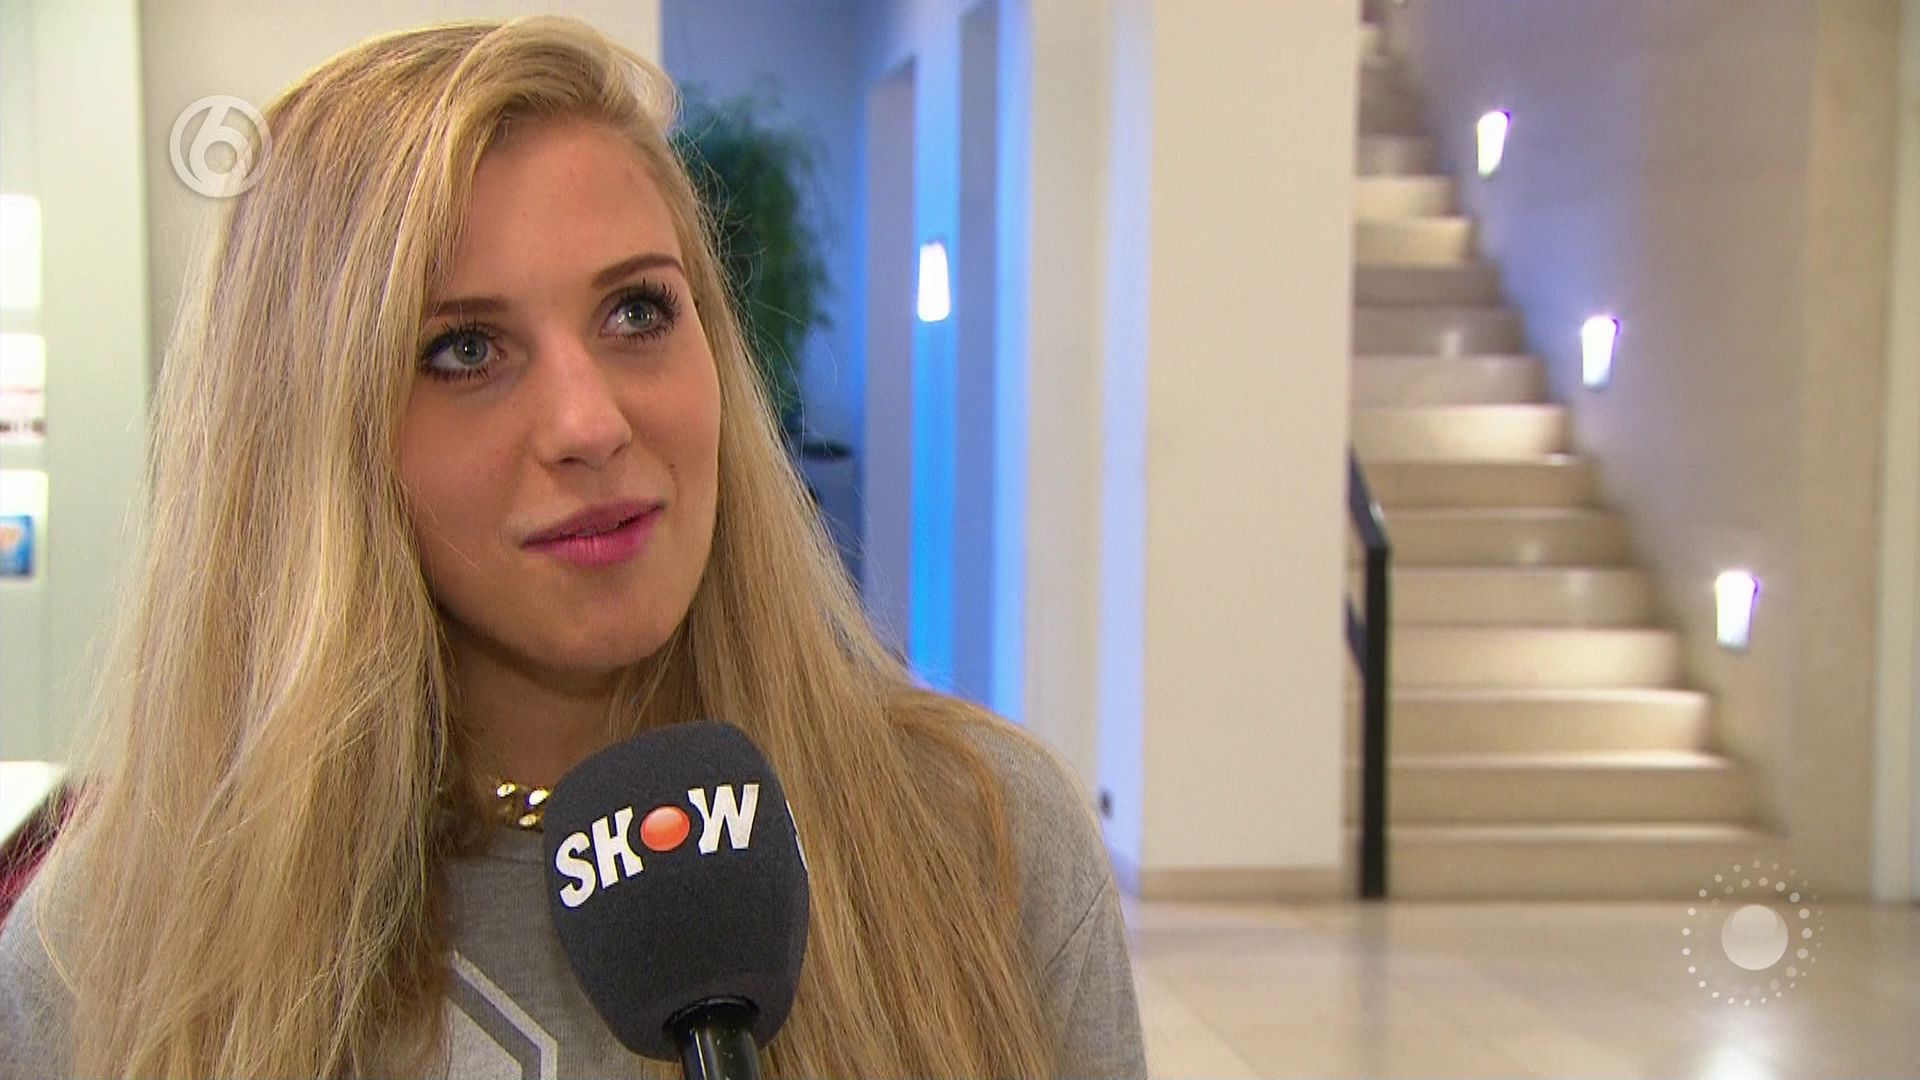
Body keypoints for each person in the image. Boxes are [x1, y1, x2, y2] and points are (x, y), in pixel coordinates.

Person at [0, 16, 1145, 1079]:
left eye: (638, 312)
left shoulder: (982, 838)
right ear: (309, 434)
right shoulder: (112, 941)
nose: (591, 423)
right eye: (463, 350)